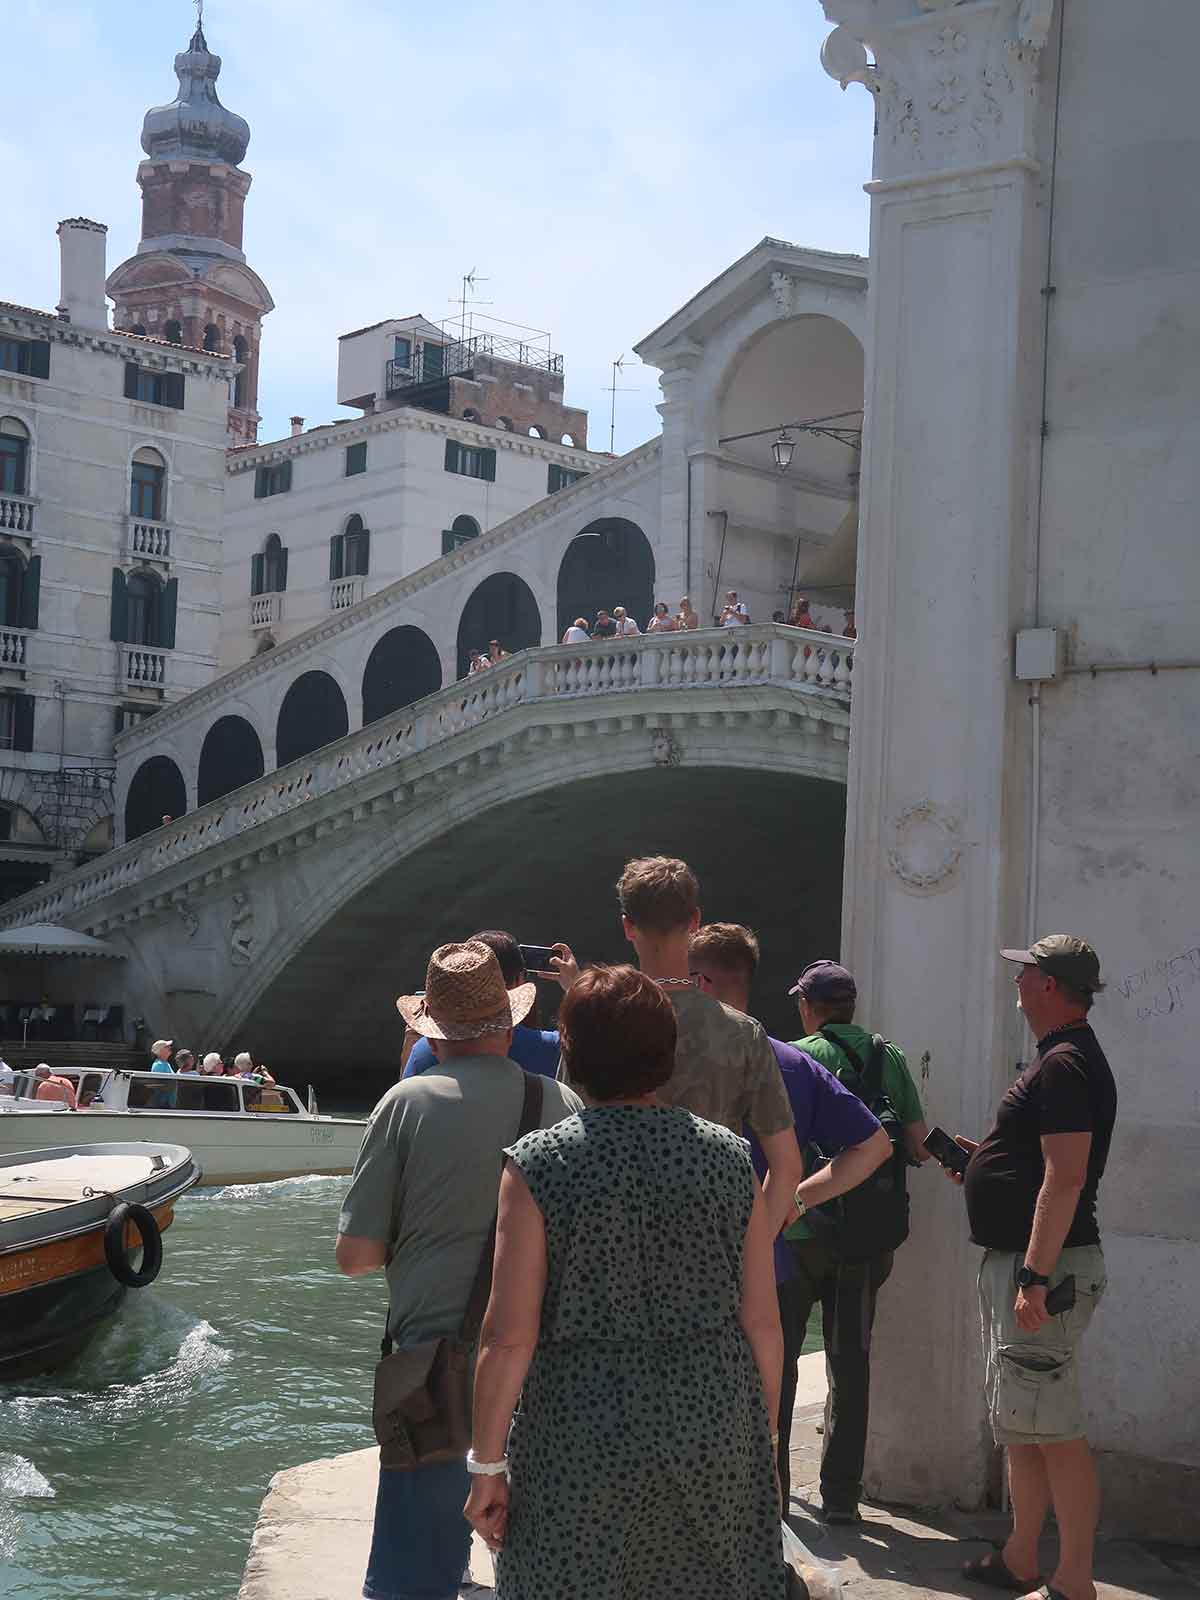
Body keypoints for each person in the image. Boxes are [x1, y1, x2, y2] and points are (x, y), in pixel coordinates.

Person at [465, 963, 786, 1599]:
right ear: (664, 1054)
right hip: (711, 1417)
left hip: (580, 1429)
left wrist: (487, 1465)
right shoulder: (728, 1158)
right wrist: (762, 1442)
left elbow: (507, 1338)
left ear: (572, 1053)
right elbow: (763, 1322)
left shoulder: (539, 1163)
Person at [336, 941, 581, 1600]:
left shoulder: (406, 1105)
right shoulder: (562, 1103)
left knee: (409, 1584)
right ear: (508, 1024)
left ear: (431, 1034)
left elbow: (355, 1256)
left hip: (431, 1380)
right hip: (545, 1376)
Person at [688, 922, 892, 1508]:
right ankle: (767, 1524)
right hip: (765, 1271)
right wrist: (791, 1205)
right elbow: (874, 1146)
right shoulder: (791, 1064)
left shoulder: (660, 1062)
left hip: (681, 1282)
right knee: (762, 1416)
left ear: (700, 983)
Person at [951, 937, 1116, 1600]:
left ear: (1048, 984)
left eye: (1024, 974)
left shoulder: (1067, 1062)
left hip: (1045, 1271)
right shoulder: (1061, 1058)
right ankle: (1022, 1557)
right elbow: (1038, 1165)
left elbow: (1067, 1175)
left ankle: (1074, 1582)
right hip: (1028, 1263)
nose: (1016, 985)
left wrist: (1035, 1277)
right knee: (1026, 1424)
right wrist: (981, 1164)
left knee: (1058, 1432)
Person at [553, 856, 802, 1239]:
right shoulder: (741, 1033)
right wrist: (749, 1255)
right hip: (707, 1250)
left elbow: (561, 1135)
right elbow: (786, 1166)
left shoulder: (591, 1023)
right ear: (695, 921)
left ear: (627, 926)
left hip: (607, 1242)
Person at [788, 959, 929, 1524]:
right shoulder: (887, 1056)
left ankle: (774, 1489)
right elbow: (916, 1144)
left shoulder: (797, 1058)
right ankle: (841, 1497)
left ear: (809, 1007)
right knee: (852, 1364)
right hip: (868, 1237)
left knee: (782, 1362)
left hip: (802, 1230)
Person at [404, 931, 561, 1081]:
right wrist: (574, 984)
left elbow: (403, 1099)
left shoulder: (422, 1051)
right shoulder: (553, 1048)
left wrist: (411, 1042)